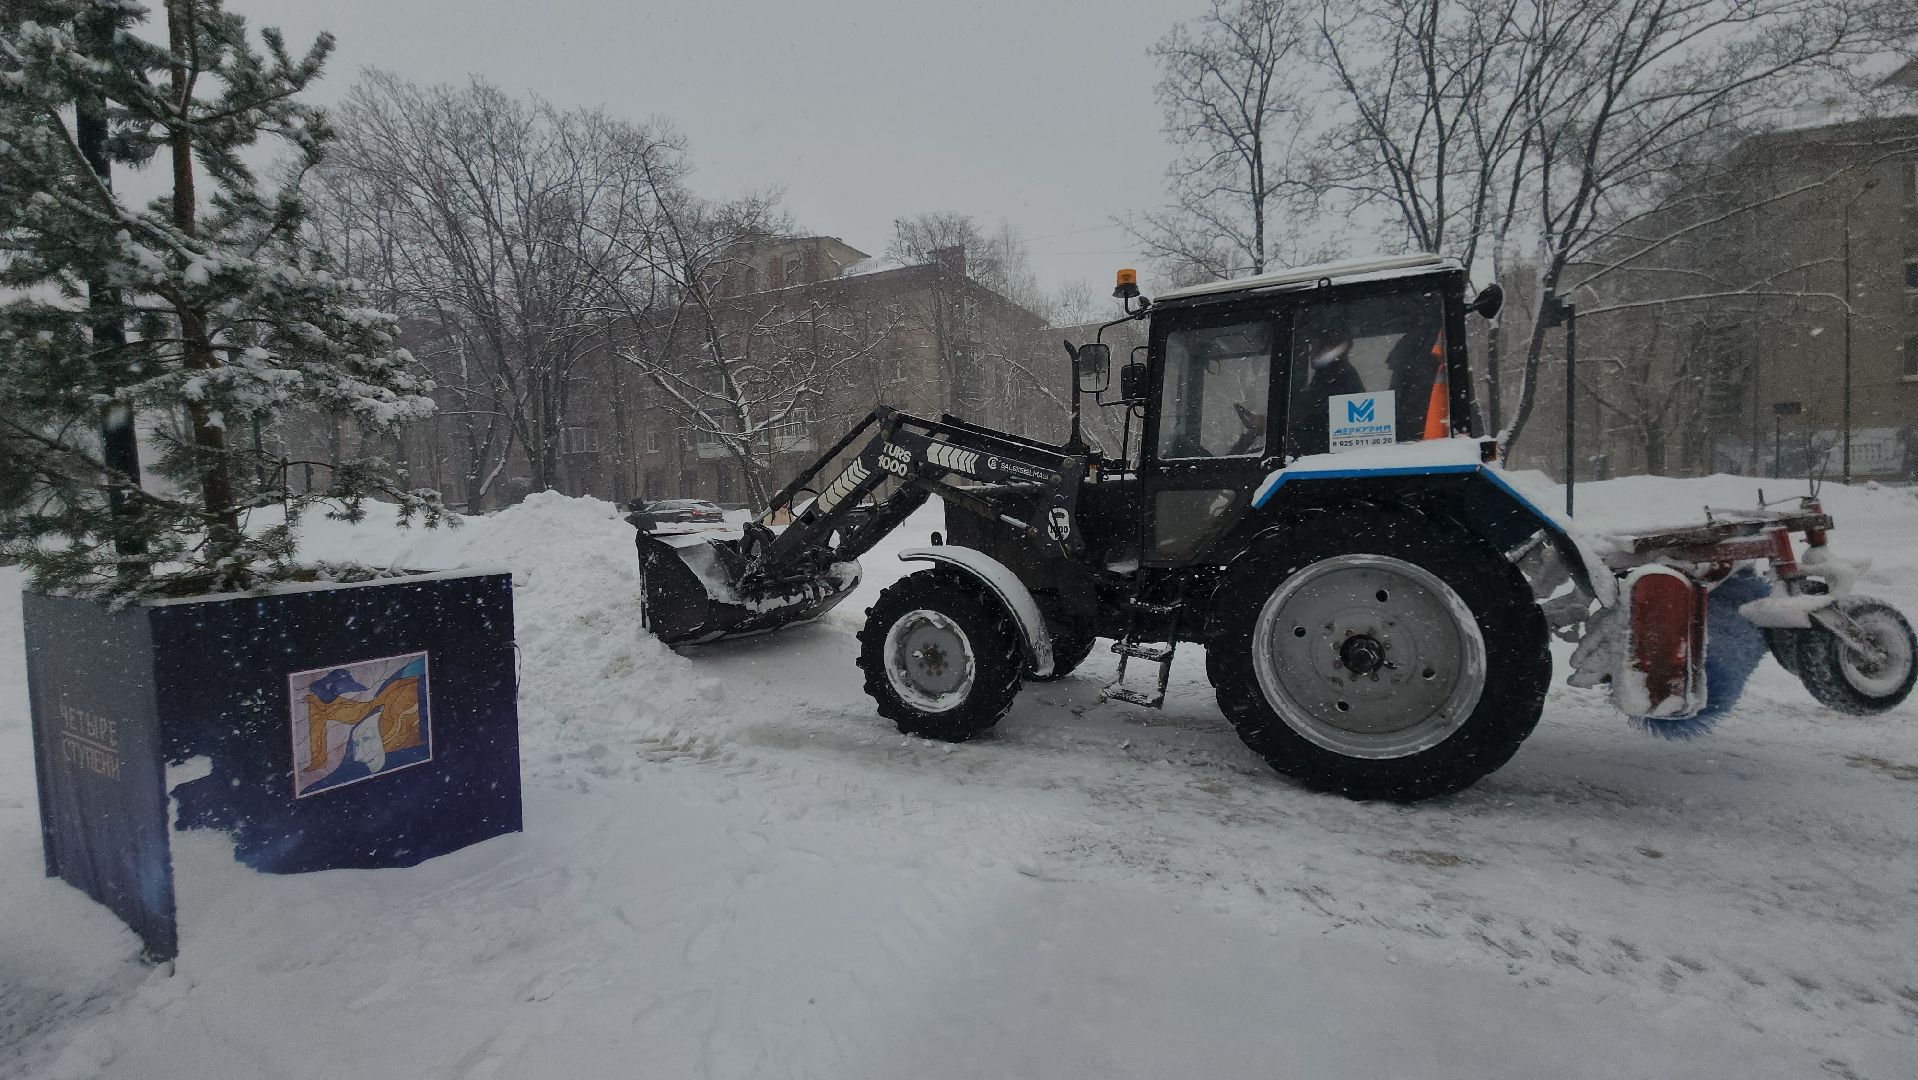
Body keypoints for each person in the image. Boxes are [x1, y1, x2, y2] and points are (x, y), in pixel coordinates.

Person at [1290, 315, 1366, 454]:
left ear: (1331, 346)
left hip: (1323, 452)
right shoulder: (1330, 374)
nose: (1310, 353)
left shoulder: (1336, 375)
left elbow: (1315, 412)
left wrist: (1278, 424)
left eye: (1314, 346)